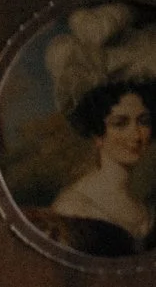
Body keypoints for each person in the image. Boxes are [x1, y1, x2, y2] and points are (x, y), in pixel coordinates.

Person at [39, 79, 155, 257]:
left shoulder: (142, 205)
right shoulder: (74, 207)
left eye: (143, 121)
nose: (136, 135)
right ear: (98, 135)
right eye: (120, 123)